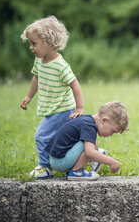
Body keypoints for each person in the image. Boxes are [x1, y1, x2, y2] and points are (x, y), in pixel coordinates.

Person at [20, 16, 84, 179]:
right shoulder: (40, 60)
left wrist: (79, 108)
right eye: (30, 43)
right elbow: (36, 78)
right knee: (63, 138)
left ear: (49, 42)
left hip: (62, 109)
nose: (31, 47)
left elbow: (75, 84)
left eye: (34, 43)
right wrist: (29, 96)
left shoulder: (60, 65)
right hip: (51, 108)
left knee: (41, 135)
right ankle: (91, 154)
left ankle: (45, 166)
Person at [45, 101, 129, 181]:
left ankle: (95, 158)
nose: (111, 135)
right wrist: (111, 162)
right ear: (104, 120)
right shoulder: (89, 126)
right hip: (60, 162)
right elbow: (89, 152)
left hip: (56, 158)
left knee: (91, 143)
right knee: (92, 146)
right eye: (113, 131)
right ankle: (76, 172)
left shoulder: (87, 120)